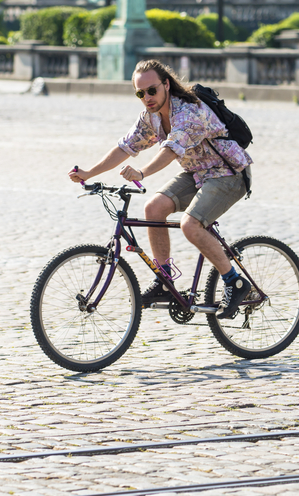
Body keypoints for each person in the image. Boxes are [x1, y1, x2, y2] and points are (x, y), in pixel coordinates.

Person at [69, 59, 254, 319]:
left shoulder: (189, 110)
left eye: (152, 90)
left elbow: (170, 150)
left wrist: (142, 172)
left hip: (229, 173)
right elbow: (126, 147)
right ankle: (165, 282)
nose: (147, 97)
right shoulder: (151, 117)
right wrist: (88, 173)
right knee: (153, 208)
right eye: (140, 93)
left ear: (167, 84)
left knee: (190, 225)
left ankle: (235, 282)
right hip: (198, 173)